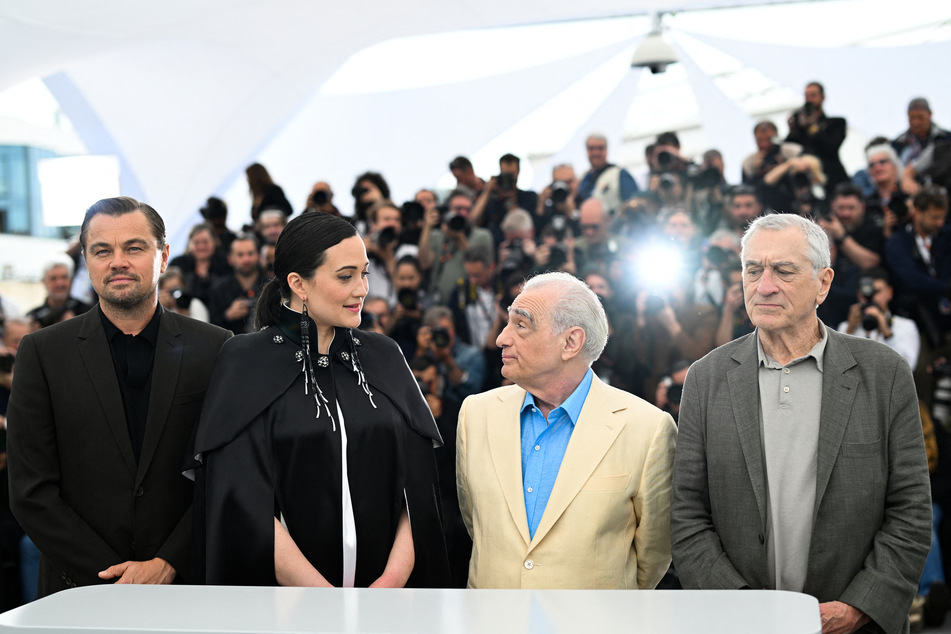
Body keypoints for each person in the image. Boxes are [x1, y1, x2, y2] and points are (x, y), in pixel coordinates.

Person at [671, 213, 931, 634]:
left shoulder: (884, 373)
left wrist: (858, 607)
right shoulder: (706, 377)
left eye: (783, 271)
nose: (764, 285)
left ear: (823, 284)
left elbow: (911, 511)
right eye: (753, 270)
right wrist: (739, 607)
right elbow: (686, 513)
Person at [192, 211, 450, 587]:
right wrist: (323, 599)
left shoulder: (385, 355)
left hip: (386, 608)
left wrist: (389, 584)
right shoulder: (244, 360)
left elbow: (419, 487)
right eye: (345, 276)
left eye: (364, 273)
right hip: (287, 613)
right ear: (299, 283)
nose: (362, 288)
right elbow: (240, 498)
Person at [6, 196, 231, 597]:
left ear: (162, 257)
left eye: (134, 247)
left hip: (188, 588)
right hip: (76, 593)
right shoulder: (42, 352)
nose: (117, 262)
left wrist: (168, 563)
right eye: (102, 250)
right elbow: (30, 490)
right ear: (87, 263)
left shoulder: (216, 348)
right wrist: (112, 577)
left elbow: (226, 472)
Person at [456, 272, 677, 588]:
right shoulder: (475, 414)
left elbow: (653, 555)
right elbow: (477, 525)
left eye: (521, 325)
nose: (501, 338)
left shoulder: (648, 428)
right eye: (507, 323)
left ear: (571, 342)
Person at [785, 81, 848, 195]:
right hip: (806, 180)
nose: (809, 100)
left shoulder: (836, 123)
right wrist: (792, 130)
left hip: (831, 178)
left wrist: (813, 127)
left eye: (813, 95)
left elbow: (831, 147)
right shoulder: (800, 126)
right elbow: (791, 148)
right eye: (807, 96)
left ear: (822, 97)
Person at [578, 133, 639, 216]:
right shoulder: (583, 179)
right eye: (591, 148)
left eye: (600, 148)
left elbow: (634, 205)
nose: (596, 153)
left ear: (606, 150)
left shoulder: (620, 174)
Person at [26, 260, 91, 328]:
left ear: (71, 280)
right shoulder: (33, 317)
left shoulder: (88, 313)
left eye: (64, 277)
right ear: (43, 282)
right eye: (53, 279)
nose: (59, 283)